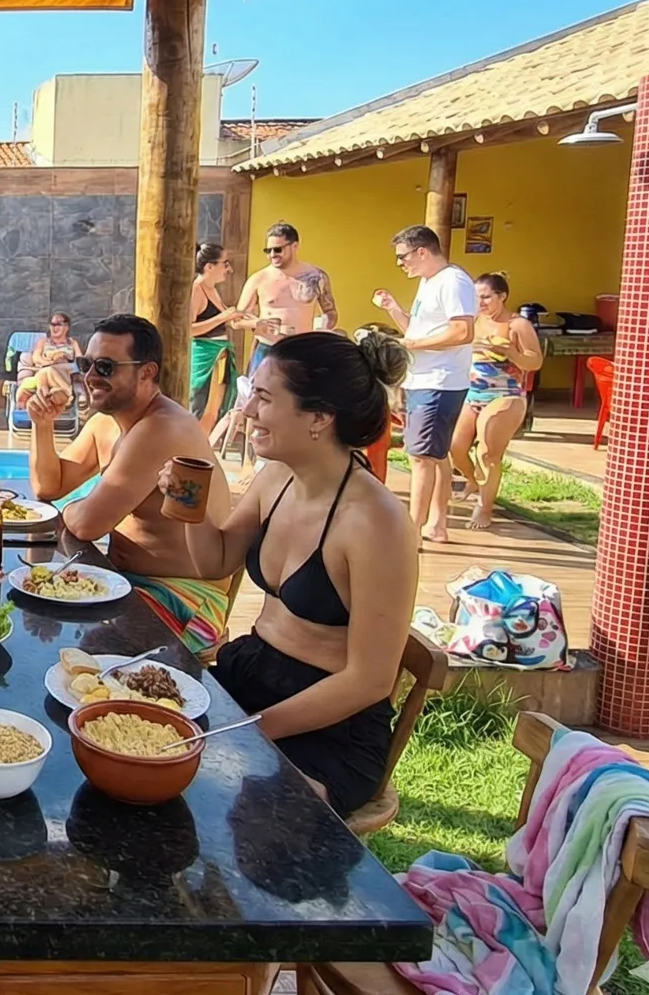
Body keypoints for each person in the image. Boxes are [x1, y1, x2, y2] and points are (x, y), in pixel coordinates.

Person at [166, 330, 417, 816]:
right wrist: (187, 505)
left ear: (319, 418)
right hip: (250, 671)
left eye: (263, 397)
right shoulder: (277, 477)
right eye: (250, 394)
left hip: (327, 723)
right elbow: (216, 562)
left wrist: (249, 730)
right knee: (127, 733)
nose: (248, 411)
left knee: (254, 810)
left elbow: (369, 680)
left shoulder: (376, 522)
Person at [24, 314, 235, 657]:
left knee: (64, 648)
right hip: (125, 581)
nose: (90, 377)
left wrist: (76, 509)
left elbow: (87, 524)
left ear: (147, 372)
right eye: (86, 363)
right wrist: (43, 426)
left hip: (184, 598)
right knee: (32, 606)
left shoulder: (162, 428)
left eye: (105, 367)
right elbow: (49, 487)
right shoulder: (106, 424)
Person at [372, 225, 478, 544]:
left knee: (419, 457)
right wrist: (393, 310)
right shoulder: (427, 282)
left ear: (422, 252)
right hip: (425, 379)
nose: (400, 263)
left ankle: (411, 532)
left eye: (403, 257)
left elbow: (463, 332)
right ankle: (436, 524)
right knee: (435, 455)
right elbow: (418, 331)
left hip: (440, 381)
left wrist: (411, 346)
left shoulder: (453, 281)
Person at [452, 272, 545, 531]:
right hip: (473, 393)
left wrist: (510, 352)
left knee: (487, 451)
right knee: (455, 447)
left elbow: (535, 362)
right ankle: (474, 480)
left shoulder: (518, 326)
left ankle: (484, 507)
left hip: (506, 394)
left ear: (502, 296)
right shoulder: (473, 321)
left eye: (485, 297)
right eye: (476, 297)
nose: (480, 302)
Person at [237, 222, 337, 370]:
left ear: (294, 246)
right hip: (268, 348)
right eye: (268, 250)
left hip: (303, 348)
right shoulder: (259, 279)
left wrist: (323, 328)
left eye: (277, 249)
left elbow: (330, 312)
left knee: (304, 392)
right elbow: (236, 319)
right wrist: (257, 323)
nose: (272, 255)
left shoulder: (316, 276)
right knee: (260, 392)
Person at [190, 242, 251, 428]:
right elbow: (189, 329)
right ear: (210, 266)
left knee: (215, 409)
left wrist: (256, 323)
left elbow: (229, 320)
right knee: (201, 407)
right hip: (204, 355)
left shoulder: (212, 289)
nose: (229, 269)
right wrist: (222, 317)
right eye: (225, 263)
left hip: (220, 354)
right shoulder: (197, 289)